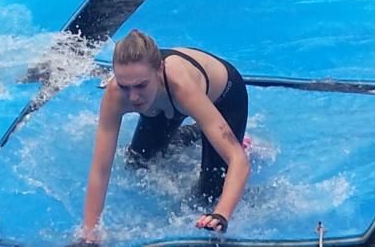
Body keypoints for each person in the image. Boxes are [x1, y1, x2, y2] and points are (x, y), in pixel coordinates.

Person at [80, 29, 249, 242]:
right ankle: (196, 132)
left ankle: (215, 131)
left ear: (159, 69)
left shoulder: (181, 86)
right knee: (137, 162)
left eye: (141, 85)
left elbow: (238, 160)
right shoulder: (117, 94)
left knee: (208, 195)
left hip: (223, 98)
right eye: (125, 86)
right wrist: (89, 235)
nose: (133, 97)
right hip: (161, 102)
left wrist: (221, 214)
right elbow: (100, 169)